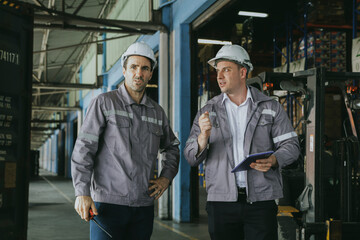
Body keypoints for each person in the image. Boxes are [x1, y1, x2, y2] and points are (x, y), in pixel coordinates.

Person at [184, 44, 300, 240]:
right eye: (218, 71)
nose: (219, 76)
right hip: (221, 202)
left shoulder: (269, 107)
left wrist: (274, 159)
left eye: (226, 70)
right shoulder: (208, 110)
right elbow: (190, 157)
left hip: (261, 201)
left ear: (243, 72)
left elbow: (292, 146)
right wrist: (203, 137)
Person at [71, 41, 180, 240]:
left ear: (150, 74)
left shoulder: (157, 112)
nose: (139, 73)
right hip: (107, 206)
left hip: (143, 206)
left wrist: (166, 178)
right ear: (124, 70)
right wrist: (82, 192)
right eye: (133, 67)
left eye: (144, 68)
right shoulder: (104, 103)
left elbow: (172, 147)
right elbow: (84, 148)